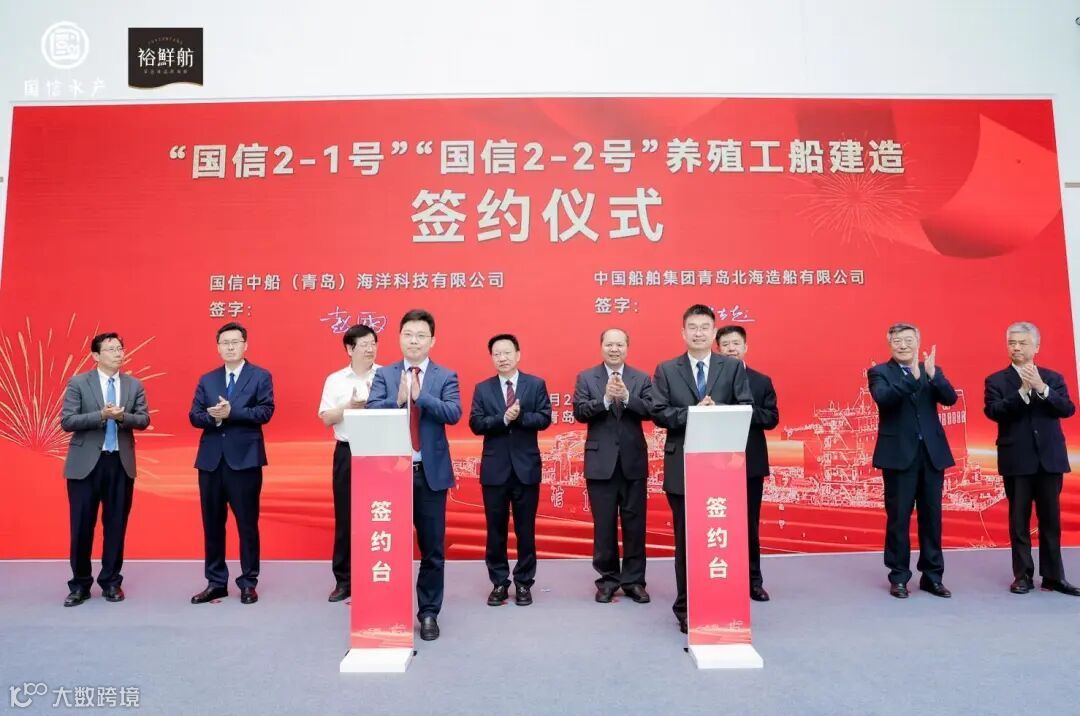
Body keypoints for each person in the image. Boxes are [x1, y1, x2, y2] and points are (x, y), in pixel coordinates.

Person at [651, 304, 753, 633]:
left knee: (722, 539)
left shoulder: (732, 367)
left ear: (714, 333)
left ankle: (722, 602)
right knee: (687, 540)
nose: (698, 333)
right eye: (692, 327)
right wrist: (693, 413)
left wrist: (716, 410)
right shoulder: (667, 369)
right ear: (683, 333)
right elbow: (658, 412)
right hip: (682, 465)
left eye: (704, 327)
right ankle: (686, 607)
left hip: (723, 469)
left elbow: (745, 406)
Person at [368, 309, 462, 641]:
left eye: (421, 335)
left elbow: (453, 412)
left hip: (429, 475)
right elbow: (371, 410)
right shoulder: (385, 375)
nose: (414, 341)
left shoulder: (445, 376)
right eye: (408, 334)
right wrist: (396, 401)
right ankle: (390, 610)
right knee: (389, 546)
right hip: (391, 475)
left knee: (432, 548)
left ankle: (429, 613)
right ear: (399, 338)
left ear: (432, 341)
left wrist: (422, 397)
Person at [984, 321, 1080, 596]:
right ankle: (1023, 575)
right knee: (1019, 521)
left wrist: (1041, 388)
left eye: (1022, 343)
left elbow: (1067, 408)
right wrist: (1022, 393)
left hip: (1050, 459)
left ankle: (1053, 577)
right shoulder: (996, 380)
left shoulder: (1052, 378)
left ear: (1036, 347)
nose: (1016, 347)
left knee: (1051, 521)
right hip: (1017, 460)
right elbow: (994, 412)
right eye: (1012, 343)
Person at [59, 332, 150, 607]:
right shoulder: (79, 382)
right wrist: (101, 415)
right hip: (85, 465)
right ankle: (80, 585)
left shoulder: (134, 385)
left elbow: (143, 419)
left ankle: (111, 582)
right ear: (96, 356)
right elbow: (68, 421)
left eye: (120, 348)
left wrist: (121, 417)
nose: (118, 353)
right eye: (111, 349)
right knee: (81, 527)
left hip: (120, 464)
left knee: (115, 526)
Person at [867, 323, 956, 599]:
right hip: (898, 456)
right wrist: (912, 378)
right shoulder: (879, 372)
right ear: (889, 344)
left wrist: (932, 376)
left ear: (918, 341)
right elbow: (884, 399)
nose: (903, 345)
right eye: (897, 341)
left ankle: (932, 577)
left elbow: (950, 398)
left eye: (908, 340)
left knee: (932, 518)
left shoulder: (931, 370)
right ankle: (899, 577)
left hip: (931, 455)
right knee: (898, 519)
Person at [189, 322, 275, 605]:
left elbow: (265, 411)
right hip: (211, 462)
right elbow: (194, 416)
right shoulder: (208, 379)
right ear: (218, 347)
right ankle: (216, 582)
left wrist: (231, 412)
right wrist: (214, 417)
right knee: (212, 524)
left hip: (245, 461)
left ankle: (248, 582)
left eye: (235, 342)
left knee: (247, 524)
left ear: (245, 345)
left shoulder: (260, 376)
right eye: (224, 343)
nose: (230, 347)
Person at [468, 334, 552, 607]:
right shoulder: (483, 388)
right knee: (496, 530)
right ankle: (499, 582)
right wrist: (503, 419)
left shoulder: (535, 384)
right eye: (497, 354)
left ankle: (524, 582)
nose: (502, 358)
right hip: (495, 470)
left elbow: (545, 418)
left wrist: (520, 417)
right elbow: (476, 423)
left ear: (518, 354)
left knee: (526, 530)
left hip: (526, 469)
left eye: (507, 352)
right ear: (492, 358)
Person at [571, 328, 653, 604]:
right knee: (604, 525)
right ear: (601, 346)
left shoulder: (641, 378)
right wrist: (605, 400)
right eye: (609, 344)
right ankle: (607, 579)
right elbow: (580, 412)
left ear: (627, 348)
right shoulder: (587, 377)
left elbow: (652, 410)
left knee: (635, 525)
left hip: (633, 462)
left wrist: (627, 397)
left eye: (619, 345)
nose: (614, 349)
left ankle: (634, 581)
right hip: (600, 463)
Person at [318, 324, 381, 602]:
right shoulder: (335, 380)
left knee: (380, 516)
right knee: (346, 518)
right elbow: (326, 418)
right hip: (348, 452)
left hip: (381, 453)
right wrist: (351, 407)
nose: (370, 349)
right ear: (349, 349)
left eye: (373, 344)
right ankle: (344, 580)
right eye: (364, 344)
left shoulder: (387, 375)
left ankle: (376, 575)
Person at [716, 324, 778, 602]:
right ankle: (720, 578)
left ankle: (753, 580)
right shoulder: (710, 380)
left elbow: (771, 418)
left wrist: (744, 410)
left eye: (736, 344)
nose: (731, 348)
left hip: (749, 462)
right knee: (718, 523)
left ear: (745, 347)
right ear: (718, 349)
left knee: (749, 524)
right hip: (714, 463)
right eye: (726, 344)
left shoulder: (761, 381)